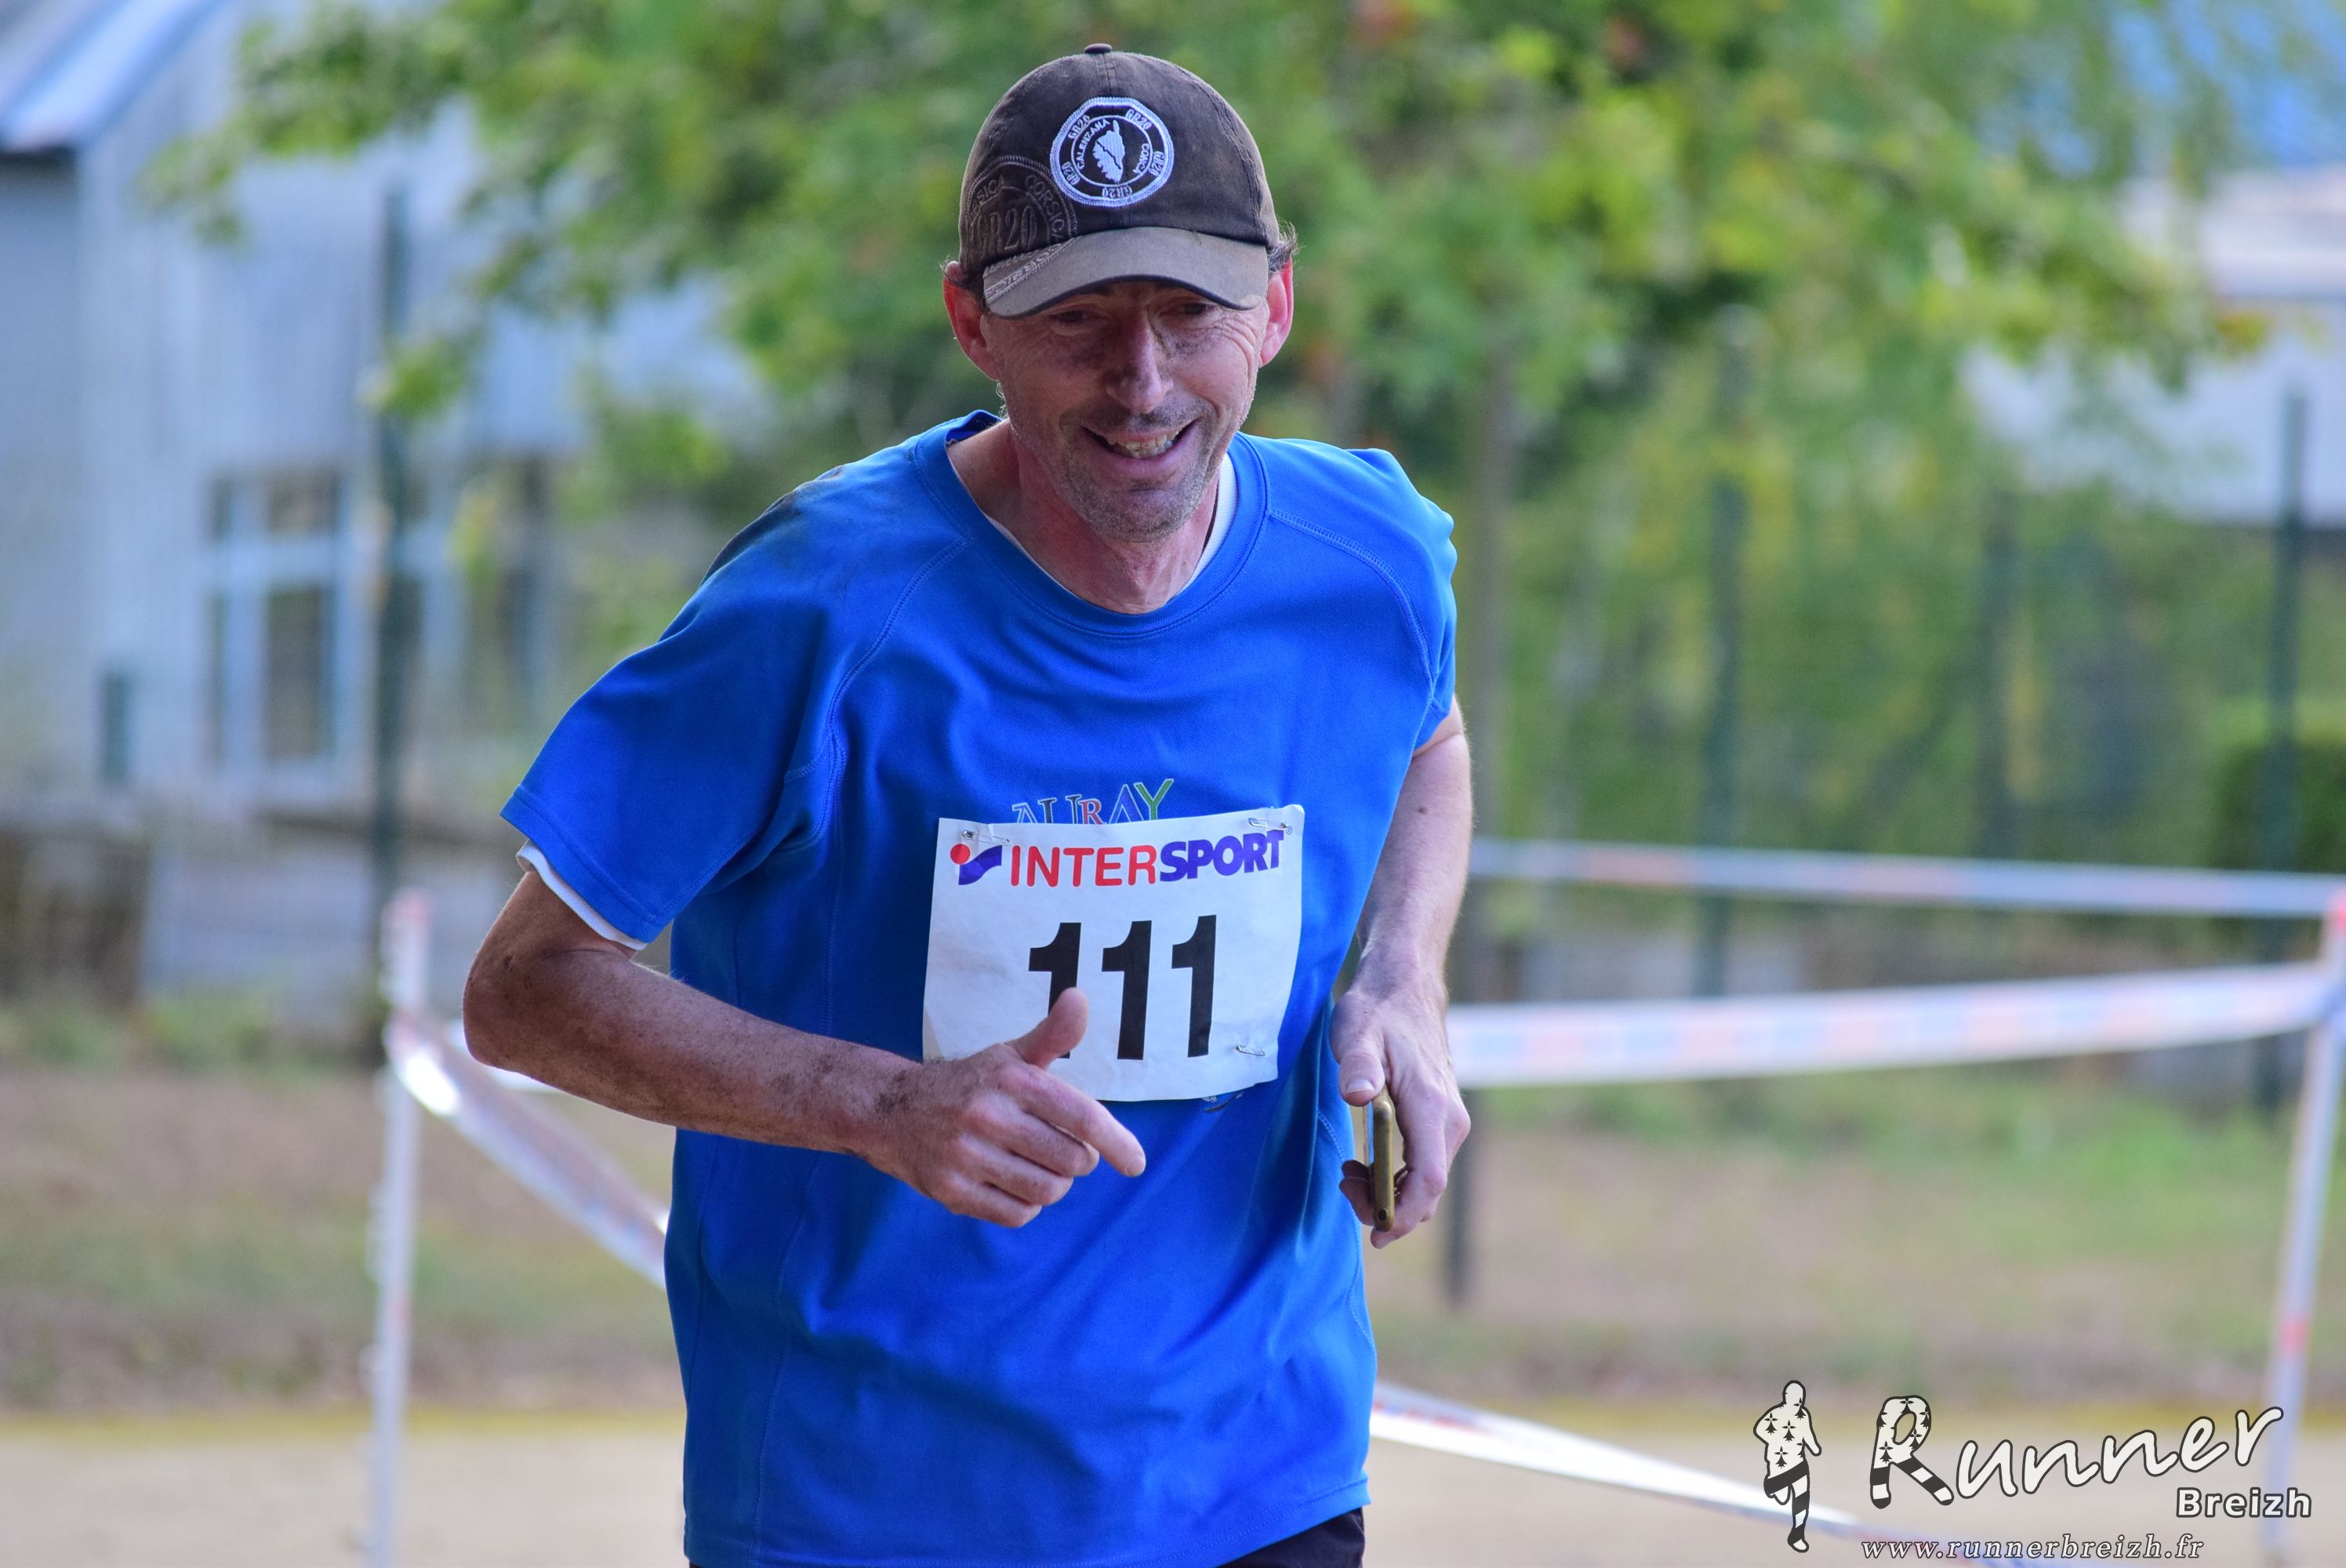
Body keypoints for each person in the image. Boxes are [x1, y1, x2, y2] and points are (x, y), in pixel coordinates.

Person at [463, 43, 1472, 1568]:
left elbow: (1429, 739)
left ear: (1273, 306)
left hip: (1256, 1477)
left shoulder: (1368, 560)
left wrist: (1403, 977)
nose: (1142, 381)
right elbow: (522, 988)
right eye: (1078, 321)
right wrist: (883, 1105)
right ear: (970, 323)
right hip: (870, 1502)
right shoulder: (816, 608)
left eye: (1188, 314)